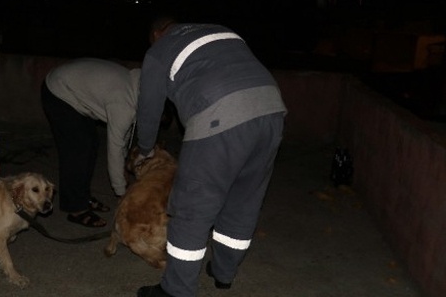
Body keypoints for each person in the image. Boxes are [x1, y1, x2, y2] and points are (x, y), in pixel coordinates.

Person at [135, 17, 287, 297]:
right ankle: (223, 274)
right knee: (243, 200)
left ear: (157, 33)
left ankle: (175, 291)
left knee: (193, 209)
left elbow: (149, 108)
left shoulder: (159, 49)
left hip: (219, 116)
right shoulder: (223, 30)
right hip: (272, 111)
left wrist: (144, 149)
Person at [41, 57, 140, 227]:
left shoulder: (138, 90)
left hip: (75, 89)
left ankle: (83, 196)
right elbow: (115, 148)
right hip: (58, 90)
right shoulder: (124, 105)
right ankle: (75, 208)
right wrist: (121, 192)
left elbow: (125, 135)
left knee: (91, 143)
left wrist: (124, 165)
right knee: (77, 149)